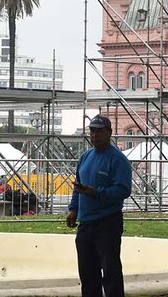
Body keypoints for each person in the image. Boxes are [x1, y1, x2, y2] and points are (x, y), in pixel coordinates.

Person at [67, 115, 133, 297]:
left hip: (107, 223)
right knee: (88, 274)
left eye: (99, 131)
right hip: (85, 224)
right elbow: (77, 186)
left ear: (110, 133)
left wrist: (96, 192)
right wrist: (73, 209)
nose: (95, 135)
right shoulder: (85, 157)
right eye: (92, 131)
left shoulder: (118, 160)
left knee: (110, 272)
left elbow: (123, 190)